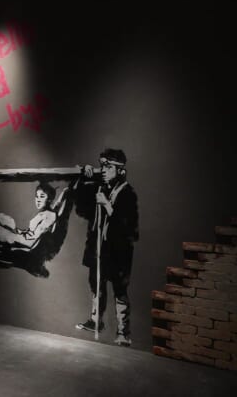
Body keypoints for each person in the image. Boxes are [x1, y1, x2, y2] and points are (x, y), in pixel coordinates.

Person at [73, 148, 139, 346]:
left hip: (118, 251)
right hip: (98, 249)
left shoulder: (127, 193)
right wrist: (83, 180)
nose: (103, 170)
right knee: (96, 284)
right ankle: (96, 321)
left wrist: (107, 206)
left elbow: (130, 229)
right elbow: (81, 209)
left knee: (119, 289)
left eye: (108, 167)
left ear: (120, 170)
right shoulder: (99, 188)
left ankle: (123, 332)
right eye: (102, 166)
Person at [0, 182, 57, 255]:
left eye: (42, 196)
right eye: (36, 196)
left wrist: (18, 235)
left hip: (27, 242)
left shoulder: (49, 215)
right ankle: (0, 241)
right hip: (25, 238)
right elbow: (31, 233)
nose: (38, 200)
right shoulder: (43, 213)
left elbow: (34, 239)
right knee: (1, 223)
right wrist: (19, 231)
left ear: (49, 199)